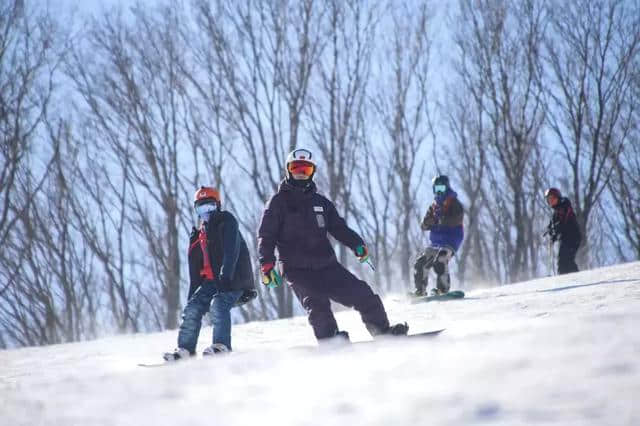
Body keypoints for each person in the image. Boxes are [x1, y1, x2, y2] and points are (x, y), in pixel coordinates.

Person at [257, 148, 408, 343]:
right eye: (296, 168)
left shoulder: (321, 203)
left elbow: (339, 228)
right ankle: (331, 341)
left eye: (306, 169)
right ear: (288, 170)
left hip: (327, 266)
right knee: (317, 304)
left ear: (312, 172)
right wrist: (266, 264)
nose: (301, 173)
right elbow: (266, 235)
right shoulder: (277, 203)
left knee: (363, 294)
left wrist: (357, 245)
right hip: (297, 270)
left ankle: (382, 331)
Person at [164, 187, 256, 361]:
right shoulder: (198, 236)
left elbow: (231, 250)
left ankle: (221, 345)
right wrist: (192, 298)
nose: (206, 213)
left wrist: (226, 274)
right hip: (210, 282)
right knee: (192, 309)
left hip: (233, 278)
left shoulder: (226, 222)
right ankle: (185, 350)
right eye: (201, 208)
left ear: (218, 206)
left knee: (219, 304)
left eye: (210, 207)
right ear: (196, 210)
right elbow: (195, 274)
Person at [413, 175, 464, 297]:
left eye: (441, 187)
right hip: (436, 242)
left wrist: (440, 221)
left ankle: (443, 289)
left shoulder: (453, 202)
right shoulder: (434, 205)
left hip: (451, 240)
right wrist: (427, 223)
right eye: (436, 188)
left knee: (441, 259)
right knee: (421, 262)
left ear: (446, 187)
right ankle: (420, 290)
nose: (439, 191)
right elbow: (424, 224)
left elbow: (457, 219)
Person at [544, 187, 581, 274]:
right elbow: (553, 226)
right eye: (549, 200)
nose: (551, 201)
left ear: (558, 197)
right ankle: (569, 276)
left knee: (565, 258)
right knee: (564, 260)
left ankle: (573, 277)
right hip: (565, 238)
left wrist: (556, 228)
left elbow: (564, 221)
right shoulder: (556, 213)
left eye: (553, 198)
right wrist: (551, 233)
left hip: (573, 237)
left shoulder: (565, 206)